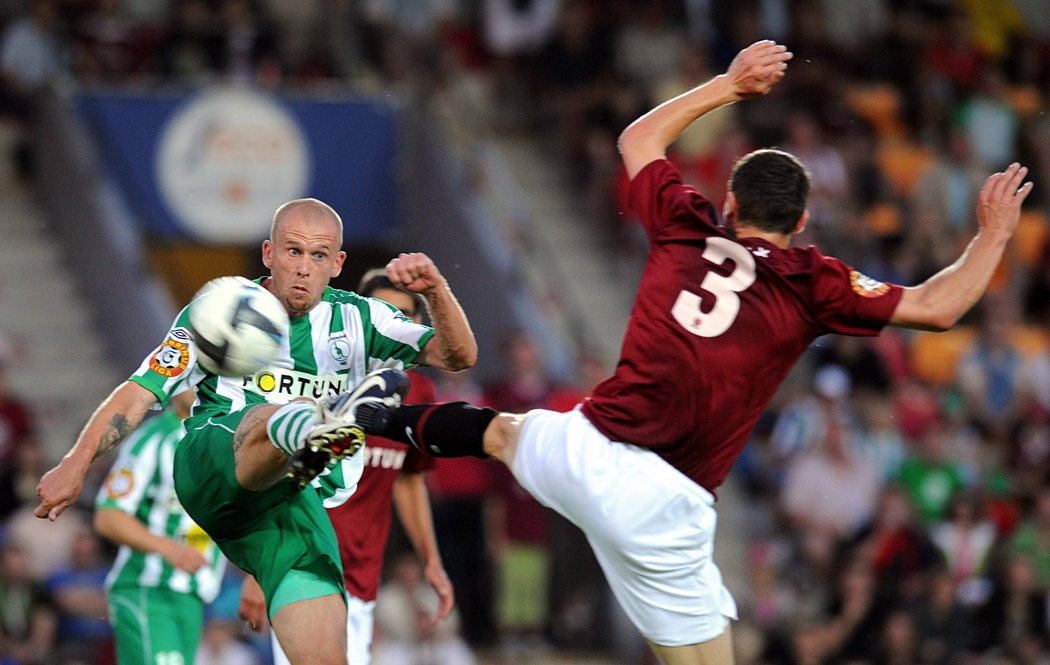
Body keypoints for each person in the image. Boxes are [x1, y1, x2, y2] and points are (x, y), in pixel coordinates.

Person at [350, 40, 1034, 664]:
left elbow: (637, 137)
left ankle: (370, 417)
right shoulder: (813, 279)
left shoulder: (684, 221)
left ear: (728, 200)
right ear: (800, 223)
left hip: (586, 447)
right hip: (665, 502)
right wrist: (995, 235)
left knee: (500, 430)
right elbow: (940, 306)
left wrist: (731, 85)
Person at [35, 197, 477, 665]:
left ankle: (321, 430)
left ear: (338, 264)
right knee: (269, 415)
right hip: (214, 465)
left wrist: (436, 291)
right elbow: (140, 392)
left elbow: (458, 357)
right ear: (268, 253)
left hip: (291, 500)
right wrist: (75, 462)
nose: (304, 267)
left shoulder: (362, 320)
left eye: (318, 255)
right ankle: (321, 424)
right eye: (293, 251)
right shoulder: (220, 314)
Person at [266, 268, 455, 665]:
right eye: (385, 313)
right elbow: (281, 473)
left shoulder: (419, 392)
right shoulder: (322, 376)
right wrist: (256, 572)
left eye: (405, 316)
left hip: (363, 575)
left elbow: (407, 480)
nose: (394, 324)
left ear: (418, 325)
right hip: (304, 567)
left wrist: (431, 561)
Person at [94, 389, 227, 665]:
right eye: (192, 376)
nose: (200, 384)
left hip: (192, 597)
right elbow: (108, 516)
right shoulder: (153, 440)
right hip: (149, 589)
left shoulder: (221, 440)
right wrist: (171, 550)